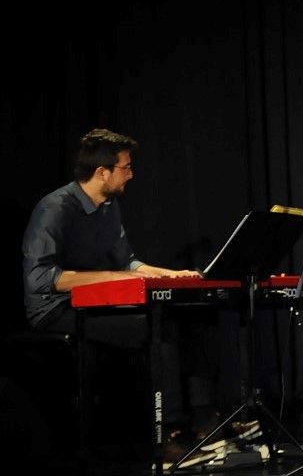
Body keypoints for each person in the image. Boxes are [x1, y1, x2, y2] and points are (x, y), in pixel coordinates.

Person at [21, 128, 219, 444]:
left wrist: (170, 275)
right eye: (125, 167)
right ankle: (169, 434)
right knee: (158, 327)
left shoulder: (109, 206)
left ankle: (205, 420)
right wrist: (112, 277)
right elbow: (41, 278)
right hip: (55, 310)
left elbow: (127, 263)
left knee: (188, 316)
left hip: (97, 302)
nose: (131, 174)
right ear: (102, 172)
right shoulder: (55, 208)